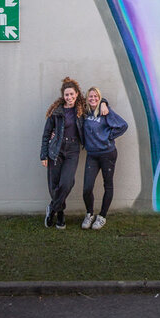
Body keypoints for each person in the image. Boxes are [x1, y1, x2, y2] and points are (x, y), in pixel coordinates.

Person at [41, 77, 85, 229]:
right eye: (67, 95)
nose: (70, 97)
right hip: (56, 150)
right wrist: (43, 155)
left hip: (73, 150)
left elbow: (96, 100)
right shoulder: (56, 112)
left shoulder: (81, 109)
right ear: (63, 96)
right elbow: (46, 134)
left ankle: (52, 208)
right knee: (55, 184)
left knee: (67, 183)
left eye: (72, 94)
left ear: (77, 94)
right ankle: (60, 214)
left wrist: (104, 102)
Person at [81, 86, 128, 230]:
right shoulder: (84, 112)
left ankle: (102, 216)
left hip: (108, 153)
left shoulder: (105, 111)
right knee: (87, 188)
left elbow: (123, 125)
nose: (93, 99)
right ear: (87, 98)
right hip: (92, 155)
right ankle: (89, 214)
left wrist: (108, 137)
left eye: (96, 96)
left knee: (108, 185)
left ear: (100, 98)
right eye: (91, 96)